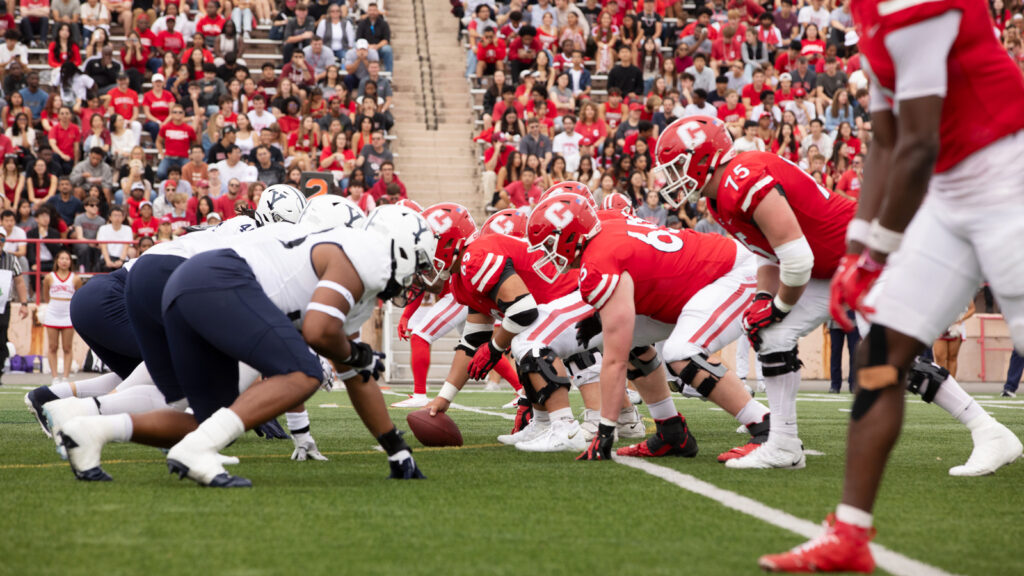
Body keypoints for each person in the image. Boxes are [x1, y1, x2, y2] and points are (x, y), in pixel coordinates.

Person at [655, 116, 1021, 477]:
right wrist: (764, 299)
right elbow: (769, 257)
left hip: (869, 256)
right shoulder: (721, 200)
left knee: (882, 353)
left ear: (703, 158)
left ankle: (988, 431)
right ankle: (783, 443)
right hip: (832, 267)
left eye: (676, 168)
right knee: (770, 334)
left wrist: (778, 305)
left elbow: (797, 260)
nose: (671, 179)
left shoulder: (742, 179)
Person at [59, 205, 436, 485]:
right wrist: (356, 354)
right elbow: (319, 334)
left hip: (191, 284)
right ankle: (196, 452)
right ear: (401, 248)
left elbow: (356, 374)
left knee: (208, 420)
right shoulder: (367, 255)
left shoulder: (359, 280)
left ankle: (91, 431)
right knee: (305, 370)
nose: (417, 278)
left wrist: (395, 448)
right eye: (418, 264)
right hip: (217, 280)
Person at [526, 189, 772, 461]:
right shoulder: (605, 222)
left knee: (680, 352)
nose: (546, 254)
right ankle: (671, 431)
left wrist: (604, 431)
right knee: (630, 343)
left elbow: (613, 362)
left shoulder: (598, 262)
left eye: (549, 244)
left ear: (571, 236)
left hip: (734, 272)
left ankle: (764, 427)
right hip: (696, 281)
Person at [391, 204, 523, 409]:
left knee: (530, 346)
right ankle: (524, 393)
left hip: (457, 296)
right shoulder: (462, 275)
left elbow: (524, 311)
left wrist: (497, 344)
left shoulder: (474, 262)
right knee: (482, 345)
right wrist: (444, 398)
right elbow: (474, 340)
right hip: (460, 294)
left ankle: (419, 394)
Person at [40, 250, 81, 384]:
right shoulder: (49, 277)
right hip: (53, 313)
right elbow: (46, 296)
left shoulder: (75, 278)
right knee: (52, 346)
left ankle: (65, 377)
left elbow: (78, 297)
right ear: (57, 261)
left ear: (70, 262)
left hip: (68, 314)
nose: (64, 261)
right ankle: (54, 377)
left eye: (67, 259)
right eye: (61, 258)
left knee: (67, 347)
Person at [0, 227, 28, 385]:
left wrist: (24, 303)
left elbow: (19, 282)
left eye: (2, 239)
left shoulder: (11, 260)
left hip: (3, 305)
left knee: (2, 339)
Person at [933, 301, 975, 380]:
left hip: (955, 327)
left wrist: (960, 319)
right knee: (940, 356)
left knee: (952, 357)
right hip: (939, 325)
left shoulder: (962, 290)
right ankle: (941, 383)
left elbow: (972, 309)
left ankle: (951, 383)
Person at [72, 198, 104, 271]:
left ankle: (96, 271)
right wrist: (90, 243)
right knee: (85, 248)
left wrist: (97, 244)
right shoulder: (79, 218)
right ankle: (83, 270)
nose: (95, 207)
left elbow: (100, 237)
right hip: (82, 243)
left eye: (97, 205)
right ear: (85, 207)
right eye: (92, 205)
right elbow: (80, 237)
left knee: (100, 249)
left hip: (95, 243)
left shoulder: (102, 221)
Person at [97, 206, 131, 270]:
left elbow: (126, 246)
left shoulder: (128, 229)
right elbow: (103, 246)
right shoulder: (103, 228)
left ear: (123, 217)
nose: (117, 218)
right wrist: (108, 261)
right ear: (110, 217)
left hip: (122, 259)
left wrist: (121, 261)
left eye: (119, 215)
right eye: (115, 215)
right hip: (106, 258)